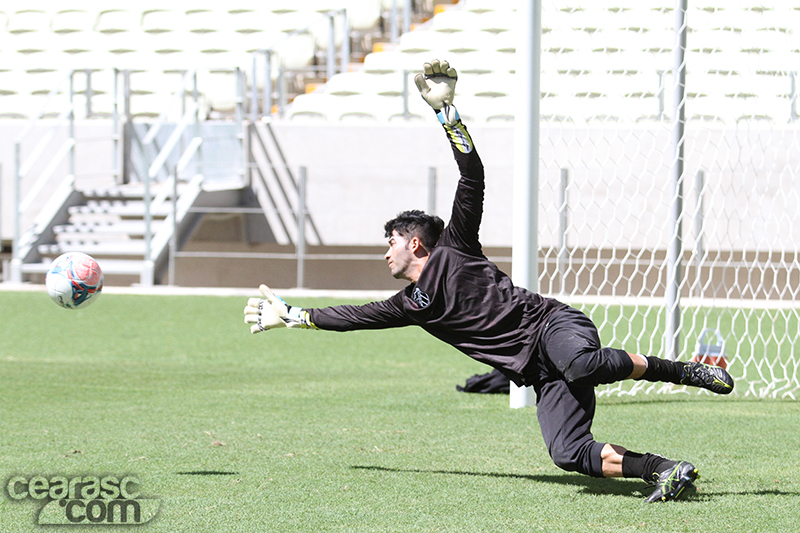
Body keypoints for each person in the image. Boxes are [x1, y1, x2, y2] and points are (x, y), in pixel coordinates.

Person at [243, 59, 734, 503]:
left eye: (389, 240)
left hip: (554, 327)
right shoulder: (411, 303)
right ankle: (665, 470)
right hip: (539, 373)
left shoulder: (456, 243)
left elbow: (471, 174)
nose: (384, 250)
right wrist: (293, 317)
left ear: (415, 242)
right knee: (567, 453)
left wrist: (447, 113)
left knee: (581, 364)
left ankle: (684, 371)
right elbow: (352, 318)